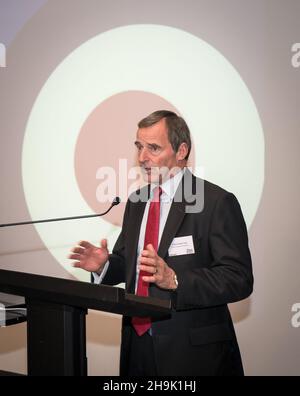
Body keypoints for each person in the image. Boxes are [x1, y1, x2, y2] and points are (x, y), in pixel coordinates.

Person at [69, 110, 253, 376]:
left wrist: (176, 279)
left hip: (193, 354)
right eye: (139, 147)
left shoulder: (215, 202)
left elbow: (239, 278)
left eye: (153, 148)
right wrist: (104, 266)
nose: (142, 158)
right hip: (138, 345)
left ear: (181, 151)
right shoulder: (137, 201)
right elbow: (131, 266)